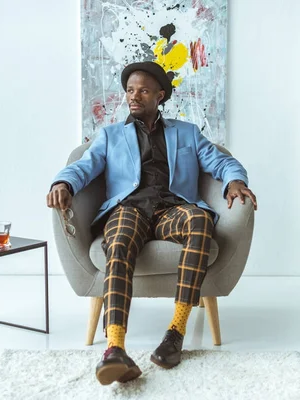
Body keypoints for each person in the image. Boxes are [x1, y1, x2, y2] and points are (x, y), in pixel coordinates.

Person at [47, 61, 257, 385]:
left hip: (172, 209)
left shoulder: (186, 132)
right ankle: (115, 348)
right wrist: (63, 184)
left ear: (160, 95)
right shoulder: (110, 135)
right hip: (128, 209)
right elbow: (83, 167)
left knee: (201, 222)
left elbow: (222, 161)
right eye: (130, 90)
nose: (134, 96)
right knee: (117, 241)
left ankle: (175, 333)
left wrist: (233, 182)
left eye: (143, 90)